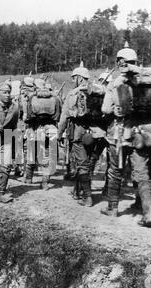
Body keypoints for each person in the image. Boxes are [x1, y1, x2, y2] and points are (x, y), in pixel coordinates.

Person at [100, 42, 151, 228]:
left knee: (115, 171)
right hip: (144, 134)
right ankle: (148, 213)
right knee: (142, 173)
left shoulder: (118, 81)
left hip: (121, 133)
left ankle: (112, 208)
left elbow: (106, 109)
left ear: (120, 62)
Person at [58, 62, 106, 207]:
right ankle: (78, 191)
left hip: (79, 134)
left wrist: (59, 134)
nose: (73, 81)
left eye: (74, 78)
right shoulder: (99, 91)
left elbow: (64, 117)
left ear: (79, 78)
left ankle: (87, 197)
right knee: (89, 163)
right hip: (97, 133)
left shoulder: (73, 93)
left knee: (82, 165)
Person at [24, 78, 61, 190]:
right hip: (51, 128)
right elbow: (58, 116)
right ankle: (45, 182)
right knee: (48, 154)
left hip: (35, 127)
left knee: (31, 153)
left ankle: (29, 178)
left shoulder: (31, 97)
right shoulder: (55, 97)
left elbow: (28, 117)